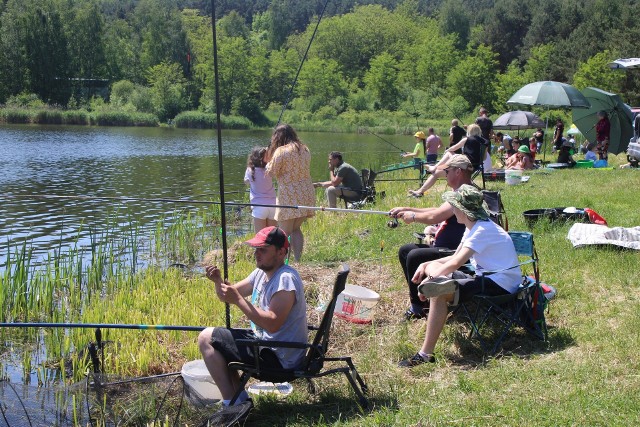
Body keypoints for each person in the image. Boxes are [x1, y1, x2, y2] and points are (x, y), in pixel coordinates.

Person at [398, 185, 521, 367]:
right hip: (485, 277)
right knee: (433, 265)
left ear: (463, 210)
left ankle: (425, 355)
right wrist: (425, 266)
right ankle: (437, 284)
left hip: (500, 283)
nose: (452, 209)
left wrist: (429, 281)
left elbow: (456, 263)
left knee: (438, 292)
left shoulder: (482, 230)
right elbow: (456, 256)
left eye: (455, 206)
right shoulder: (473, 225)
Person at [198, 226, 308, 405]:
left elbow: (273, 324)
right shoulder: (260, 273)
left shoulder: (285, 279)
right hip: (266, 346)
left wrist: (239, 300)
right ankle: (238, 401)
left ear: (281, 252)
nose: (257, 254)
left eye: (263, 249)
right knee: (217, 341)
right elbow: (228, 295)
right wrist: (218, 282)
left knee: (206, 338)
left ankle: (230, 405)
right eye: (256, 249)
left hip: (280, 360)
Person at [390, 155, 473, 320]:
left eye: (447, 171)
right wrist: (406, 208)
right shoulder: (459, 191)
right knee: (406, 250)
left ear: (458, 172)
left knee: (415, 255)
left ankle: (418, 307)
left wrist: (412, 217)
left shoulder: (465, 194)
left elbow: (435, 217)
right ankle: (424, 299)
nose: (445, 175)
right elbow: (438, 210)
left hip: (454, 251)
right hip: (443, 247)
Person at [265, 124, 315, 262]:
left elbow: (271, 172)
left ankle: (283, 262)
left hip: (289, 195)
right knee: (296, 229)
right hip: (306, 193)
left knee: (284, 231)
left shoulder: (281, 151)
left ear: (278, 137)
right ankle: (297, 260)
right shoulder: (305, 149)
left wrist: (269, 159)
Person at [408, 124, 490, 197]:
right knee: (438, 170)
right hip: (475, 167)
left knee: (448, 153)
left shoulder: (466, 139)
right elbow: (484, 158)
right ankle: (423, 186)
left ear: (469, 131)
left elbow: (453, 148)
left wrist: (447, 150)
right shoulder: (485, 142)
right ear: (479, 132)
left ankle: (432, 170)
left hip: (464, 167)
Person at [244, 147, 277, 232]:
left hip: (259, 206)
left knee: (260, 237)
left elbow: (246, 181)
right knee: (272, 236)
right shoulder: (269, 170)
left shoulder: (250, 170)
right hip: (273, 205)